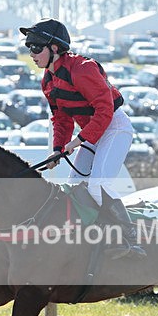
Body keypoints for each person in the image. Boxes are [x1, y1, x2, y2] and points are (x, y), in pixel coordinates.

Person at [19, 18, 145, 258]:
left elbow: (105, 111)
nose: (31, 54)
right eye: (29, 48)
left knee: (97, 184)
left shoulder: (82, 69)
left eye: (36, 47)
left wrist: (78, 141)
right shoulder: (47, 80)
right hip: (93, 134)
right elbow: (62, 120)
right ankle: (95, 239)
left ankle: (131, 240)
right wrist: (58, 149)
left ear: (55, 48)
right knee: (75, 187)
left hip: (115, 128)